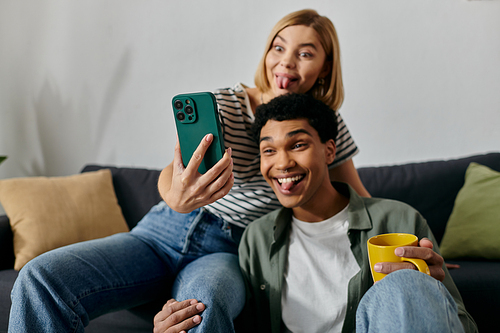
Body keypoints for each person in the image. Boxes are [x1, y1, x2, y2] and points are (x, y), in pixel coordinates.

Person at [8, 9, 369, 333]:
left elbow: (359, 201)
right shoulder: (227, 103)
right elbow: (173, 170)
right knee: (40, 278)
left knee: (202, 307)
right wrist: (175, 195)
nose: (286, 62)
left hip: (228, 250)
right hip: (159, 232)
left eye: (305, 53)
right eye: (279, 47)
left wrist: (404, 243)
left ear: (325, 66)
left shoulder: (324, 125)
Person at [237, 92, 477, 333]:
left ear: (329, 151)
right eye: (269, 150)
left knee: (406, 283)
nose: (282, 163)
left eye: (298, 145)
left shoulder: (399, 220)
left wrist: (427, 295)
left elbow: (464, 324)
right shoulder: (256, 238)